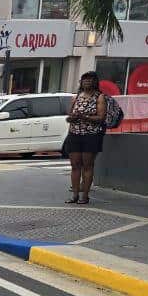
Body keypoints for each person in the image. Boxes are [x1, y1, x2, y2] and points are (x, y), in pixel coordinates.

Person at [63, 71, 107, 205]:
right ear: (81, 82)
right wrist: (72, 117)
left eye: (90, 80)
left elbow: (101, 117)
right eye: (85, 80)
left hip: (91, 135)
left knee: (87, 165)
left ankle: (85, 196)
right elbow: (68, 116)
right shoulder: (76, 97)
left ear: (95, 82)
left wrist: (85, 117)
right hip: (75, 133)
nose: (87, 82)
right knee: (75, 165)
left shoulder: (99, 97)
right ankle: (75, 195)